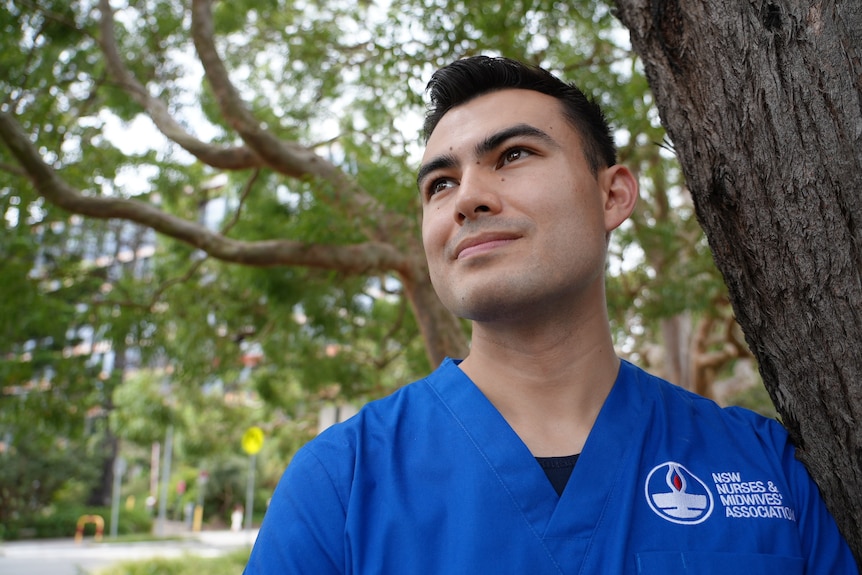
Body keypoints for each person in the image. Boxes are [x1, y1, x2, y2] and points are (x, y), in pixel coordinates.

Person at [244, 56, 858, 573]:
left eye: (512, 155)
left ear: (612, 194)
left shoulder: (765, 471)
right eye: (439, 184)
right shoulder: (340, 487)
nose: (468, 199)